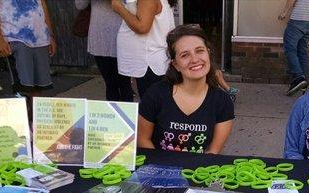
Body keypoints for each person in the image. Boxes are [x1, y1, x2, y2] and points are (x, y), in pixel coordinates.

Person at [138, 24, 234, 154]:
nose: (194, 59)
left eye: (200, 50)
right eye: (184, 55)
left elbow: (213, 151)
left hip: (199, 171)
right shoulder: (156, 94)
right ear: (175, 64)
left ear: (208, 54)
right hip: (158, 170)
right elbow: (143, 140)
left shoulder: (222, 101)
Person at [0, 0, 55, 100]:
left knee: (38, 87)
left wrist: (50, 35)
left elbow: (42, 4)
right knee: (23, 88)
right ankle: (25, 114)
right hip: (14, 36)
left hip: (40, 36)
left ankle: (34, 114)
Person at [112, 0, 176, 99]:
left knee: (150, 107)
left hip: (148, 62)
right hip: (150, 61)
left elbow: (142, 27)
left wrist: (119, 8)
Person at [75, 0, 134, 102]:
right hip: (99, 38)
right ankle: (113, 115)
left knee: (124, 83)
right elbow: (80, 5)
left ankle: (127, 116)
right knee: (110, 83)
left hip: (122, 35)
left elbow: (132, 4)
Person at [278, 0, 309, 96]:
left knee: (289, 49)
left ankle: (299, 77)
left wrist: (284, 12)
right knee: (302, 51)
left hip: (298, 18)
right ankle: (303, 83)